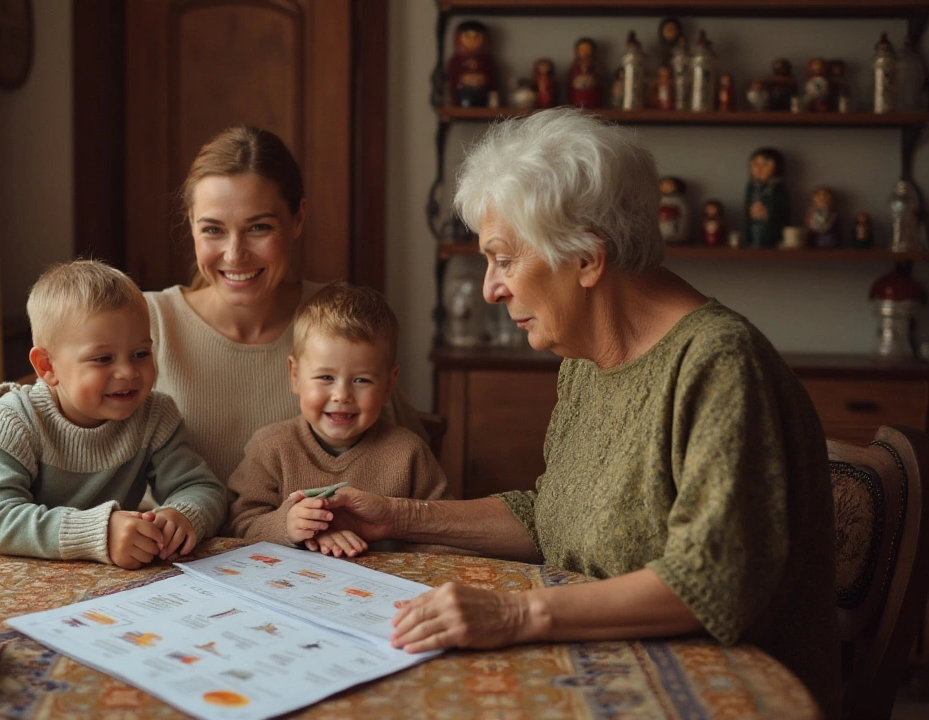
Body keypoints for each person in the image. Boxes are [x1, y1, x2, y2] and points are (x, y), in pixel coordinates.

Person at [300, 109, 841, 716]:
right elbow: (553, 515)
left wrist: (515, 612)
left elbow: (710, 583)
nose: (490, 289)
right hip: (611, 665)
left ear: (587, 257)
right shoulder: (586, 356)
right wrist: (396, 515)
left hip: (720, 691)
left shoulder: (718, 363)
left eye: (504, 259)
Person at [144, 125, 429, 486]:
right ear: (191, 224)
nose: (235, 254)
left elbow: (410, 462)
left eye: (259, 227)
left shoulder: (339, 318)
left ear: (297, 219)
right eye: (213, 230)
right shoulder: (145, 323)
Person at [0, 260, 226, 569]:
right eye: (103, 358)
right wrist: (101, 533)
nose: (128, 371)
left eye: (140, 353)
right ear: (47, 367)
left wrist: (184, 515)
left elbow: (202, 488)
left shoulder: (155, 416)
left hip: (58, 577)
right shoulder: (12, 419)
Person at [225, 282, 447, 557]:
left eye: (362, 380)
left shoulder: (409, 454)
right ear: (295, 375)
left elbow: (442, 533)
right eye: (326, 378)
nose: (342, 395)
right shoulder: (270, 447)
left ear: (389, 385)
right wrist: (287, 525)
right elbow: (238, 525)